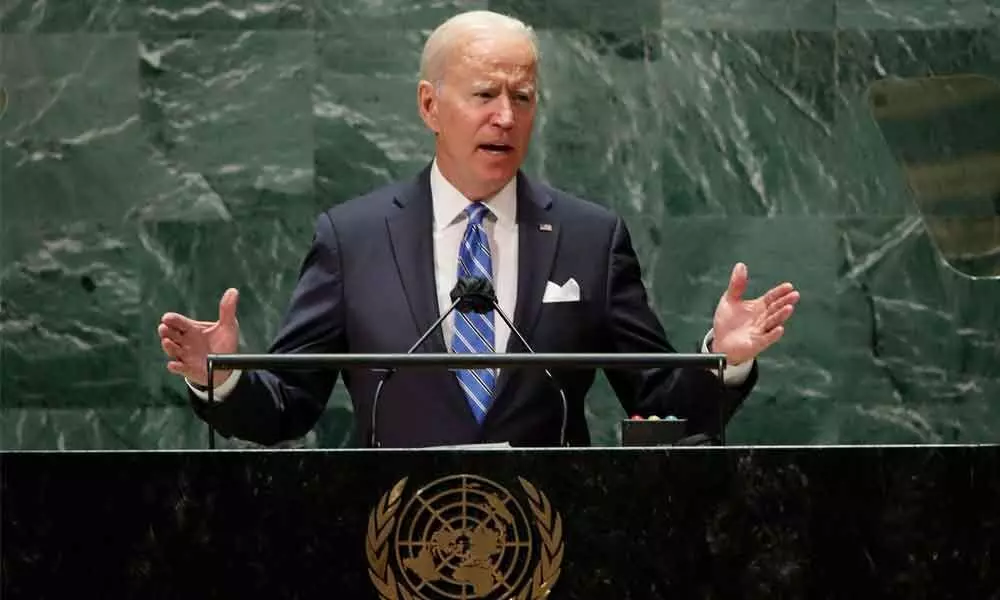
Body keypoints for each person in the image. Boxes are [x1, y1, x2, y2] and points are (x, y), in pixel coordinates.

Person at [157, 10, 799, 448]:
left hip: (548, 547)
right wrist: (224, 376)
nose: (505, 117)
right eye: (485, 95)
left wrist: (723, 358)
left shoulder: (588, 237)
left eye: (522, 98)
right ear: (430, 106)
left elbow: (658, 399)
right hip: (395, 547)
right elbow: (289, 403)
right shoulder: (352, 239)